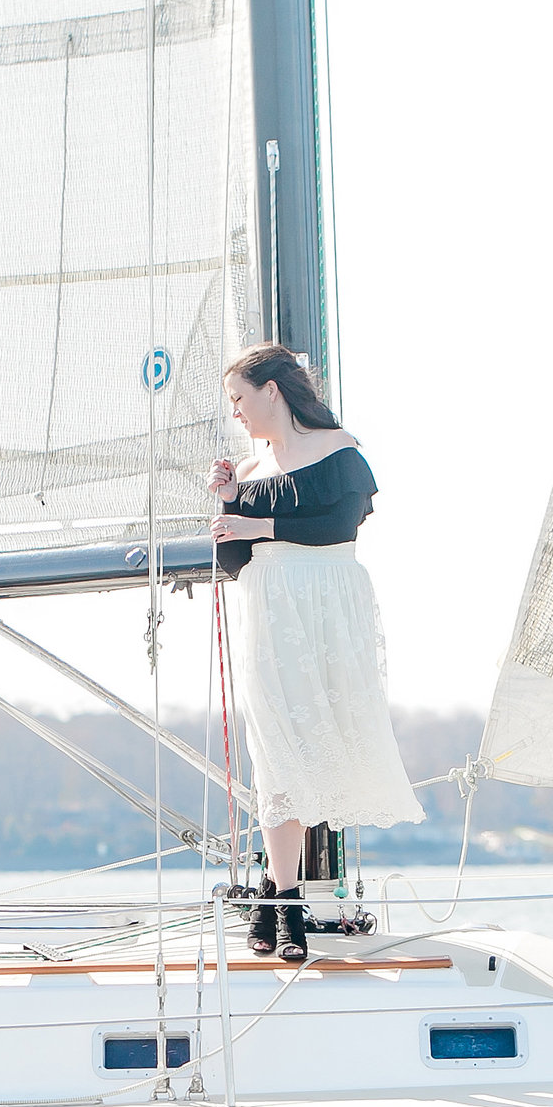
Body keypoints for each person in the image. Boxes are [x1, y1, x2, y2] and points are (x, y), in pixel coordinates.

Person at [207, 343, 424, 960]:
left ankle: (280, 903)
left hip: (327, 606)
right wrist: (228, 503)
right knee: (277, 756)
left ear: (272, 390)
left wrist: (262, 526)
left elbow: (342, 524)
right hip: (270, 609)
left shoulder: (338, 451)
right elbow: (230, 560)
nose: (238, 414)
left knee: (321, 751)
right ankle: (285, 905)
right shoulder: (248, 475)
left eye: (240, 399)